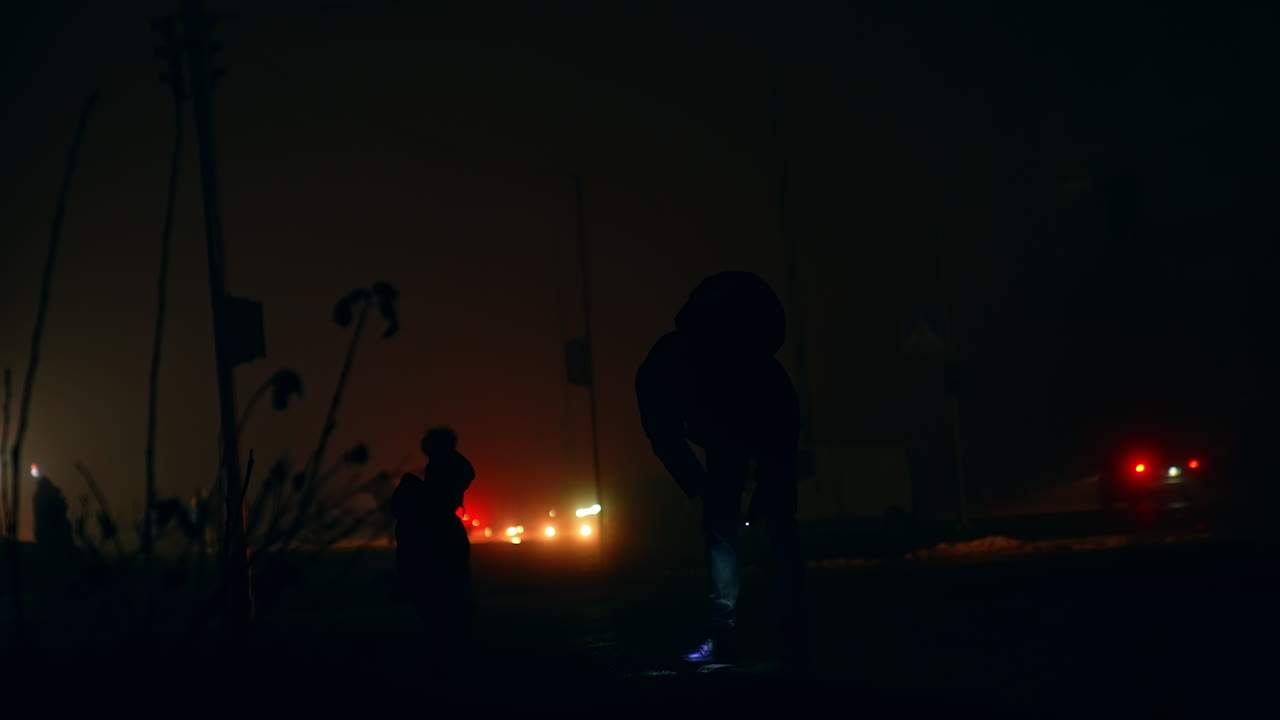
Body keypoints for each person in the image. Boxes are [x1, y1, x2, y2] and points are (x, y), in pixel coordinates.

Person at [635, 270, 807, 667]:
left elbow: (664, 434)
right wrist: (702, 485)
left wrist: (704, 484)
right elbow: (664, 433)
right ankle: (781, 625)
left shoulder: (744, 370)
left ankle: (762, 626)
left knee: (747, 527)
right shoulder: (691, 365)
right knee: (754, 528)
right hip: (740, 432)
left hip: (755, 428)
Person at [391, 427, 476, 651]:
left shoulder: (448, 467)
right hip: (441, 530)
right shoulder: (451, 466)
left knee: (443, 591)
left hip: (439, 532)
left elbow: (438, 498)